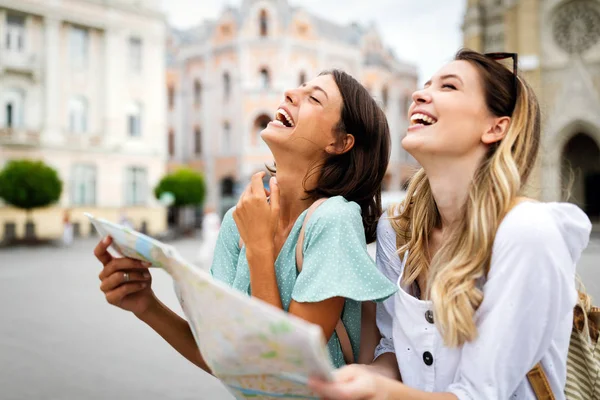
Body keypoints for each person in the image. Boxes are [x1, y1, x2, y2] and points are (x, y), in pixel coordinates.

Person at [308, 49, 592, 399]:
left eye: (449, 87)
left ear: (495, 127)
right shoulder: (397, 230)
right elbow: (393, 347)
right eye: (426, 84)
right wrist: (367, 375)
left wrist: (381, 392)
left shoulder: (526, 231)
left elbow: (479, 394)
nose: (419, 94)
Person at [93, 70, 398, 374]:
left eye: (313, 98)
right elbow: (227, 358)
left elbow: (287, 367)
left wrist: (259, 248)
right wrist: (147, 305)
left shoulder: (334, 219)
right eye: (298, 88)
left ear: (340, 142)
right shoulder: (238, 219)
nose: (290, 93)